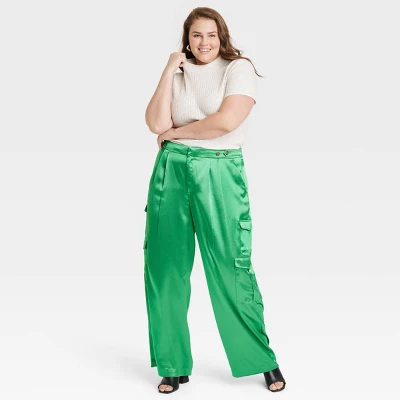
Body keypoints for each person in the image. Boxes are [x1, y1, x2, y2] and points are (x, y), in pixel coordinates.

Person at [143, 7, 286, 394]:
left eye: (210, 35)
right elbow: (155, 123)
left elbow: (225, 122)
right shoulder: (179, 72)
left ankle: (262, 360)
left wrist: (175, 133)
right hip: (171, 172)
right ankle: (172, 364)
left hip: (219, 169)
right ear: (186, 40)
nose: (203, 42)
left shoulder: (237, 69)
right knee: (164, 269)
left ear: (221, 36)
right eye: (196, 36)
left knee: (231, 267)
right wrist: (168, 70)